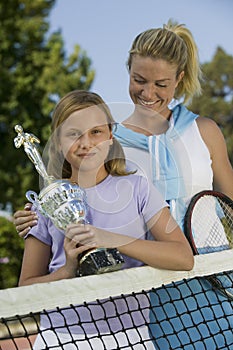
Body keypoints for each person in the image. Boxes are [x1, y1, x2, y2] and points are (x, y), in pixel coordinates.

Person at [14, 19, 233, 348]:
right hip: (148, 289)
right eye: (139, 80)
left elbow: (230, 203)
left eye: (161, 83)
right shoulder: (111, 146)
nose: (148, 93)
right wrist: (36, 215)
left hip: (212, 274)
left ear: (179, 80)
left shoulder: (203, 131)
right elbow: (66, 195)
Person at [17, 90, 194, 349]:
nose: (86, 142)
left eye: (96, 132)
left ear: (111, 137)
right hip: (61, 337)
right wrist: (67, 270)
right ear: (58, 143)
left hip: (130, 335)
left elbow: (183, 257)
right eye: (73, 133)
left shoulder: (138, 189)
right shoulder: (45, 205)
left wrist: (110, 238)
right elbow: (24, 291)